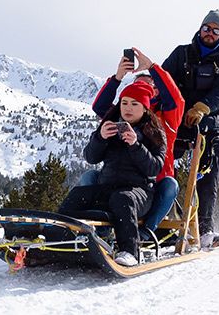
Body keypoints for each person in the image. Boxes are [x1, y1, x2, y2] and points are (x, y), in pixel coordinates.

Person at [59, 79, 166, 267]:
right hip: (107, 187)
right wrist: (100, 138)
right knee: (77, 195)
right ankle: (61, 239)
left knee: (122, 198)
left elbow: (155, 168)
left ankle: (129, 251)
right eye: (124, 102)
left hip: (139, 192)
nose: (128, 108)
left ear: (145, 108)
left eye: (134, 104)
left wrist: (136, 145)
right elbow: (90, 157)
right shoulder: (110, 125)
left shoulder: (154, 132)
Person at [90, 47, 184, 234]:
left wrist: (152, 68)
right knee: (89, 177)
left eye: (149, 86)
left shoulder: (167, 117)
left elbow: (175, 99)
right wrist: (117, 77)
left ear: (156, 91)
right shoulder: (124, 113)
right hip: (118, 182)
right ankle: (95, 226)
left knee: (170, 185)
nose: (141, 90)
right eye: (137, 86)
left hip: (152, 184)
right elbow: (100, 107)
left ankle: (147, 231)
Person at [162, 10, 219, 249]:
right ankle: (164, 219)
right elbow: (164, 78)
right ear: (200, 28)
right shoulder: (182, 53)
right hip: (177, 122)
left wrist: (203, 108)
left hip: (207, 126)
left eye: (216, 30)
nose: (209, 33)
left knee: (208, 173)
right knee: (161, 164)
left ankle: (205, 228)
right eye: (207, 28)